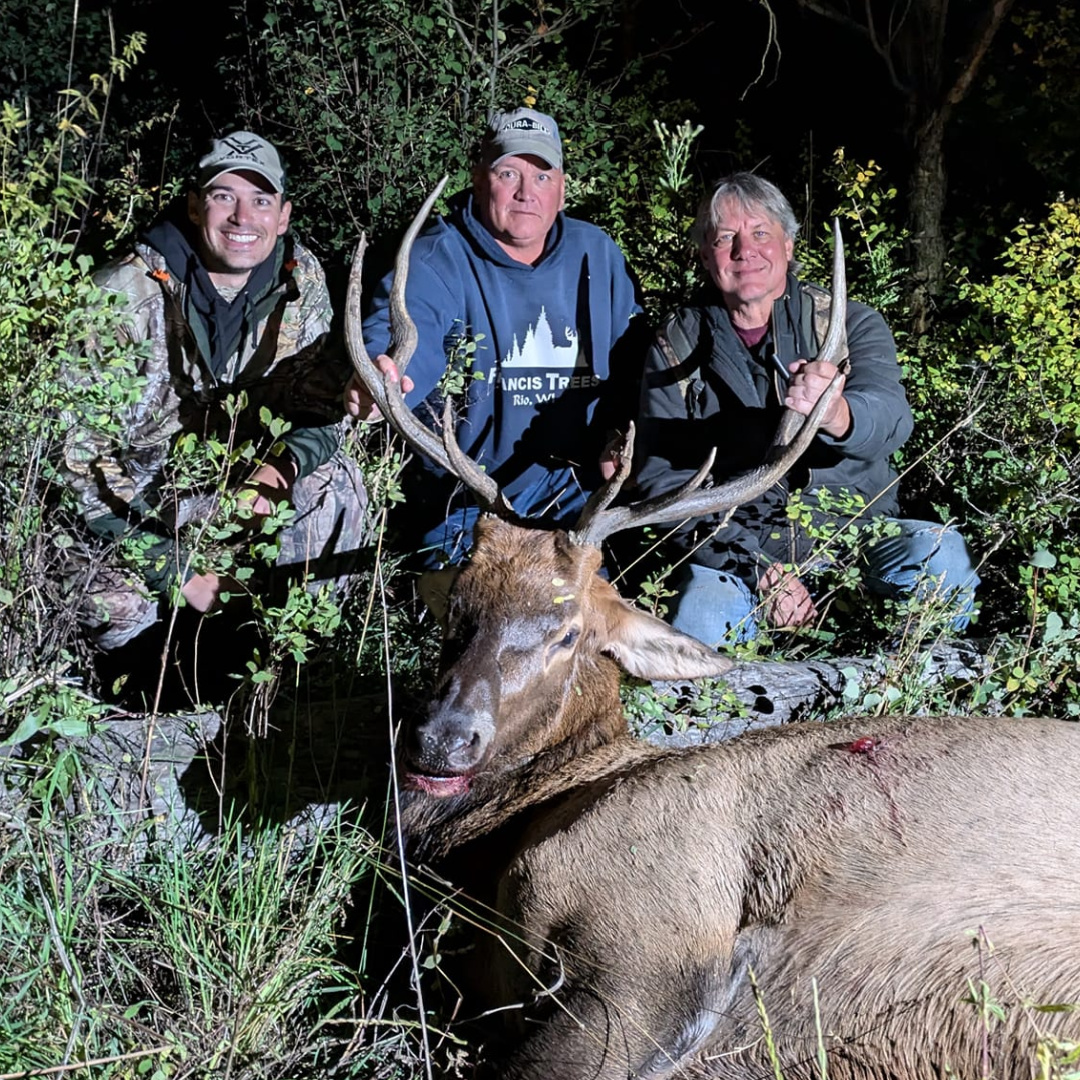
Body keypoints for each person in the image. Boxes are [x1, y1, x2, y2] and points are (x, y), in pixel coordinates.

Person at [634, 172, 979, 646]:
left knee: (942, 557)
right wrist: (756, 567)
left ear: (788, 245)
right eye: (725, 238)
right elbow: (663, 481)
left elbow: (892, 419)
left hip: (854, 536)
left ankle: (908, 682)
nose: (745, 251)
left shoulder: (848, 322)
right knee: (700, 619)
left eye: (761, 233)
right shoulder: (674, 344)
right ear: (705, 256)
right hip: (741, 552)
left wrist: (838, 414)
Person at [61, 130, 366, 653]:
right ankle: (142, 678)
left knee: (335, 485)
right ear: (194, 206)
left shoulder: (301, 281)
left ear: (283, 216)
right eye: (224, 196)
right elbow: (77, 460)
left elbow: (319, 407)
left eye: (261, 200)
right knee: (112, 601)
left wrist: (275, 473)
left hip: (230, 488)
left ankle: (291, 657)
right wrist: (174, 568)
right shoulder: (122, 294)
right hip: (133, 504)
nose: (243, 218)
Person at [345, 107, 645, 571]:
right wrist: (384, 375)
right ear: (479, 178)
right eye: (508, 174)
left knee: (599, 610)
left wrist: (620, 435)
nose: (526, 192)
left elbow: (635, 363)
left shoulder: (597, 254)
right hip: (468, 503)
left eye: (542, 177)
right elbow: (402, 333)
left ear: (562, 189)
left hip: (577, 496)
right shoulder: (437, 258)